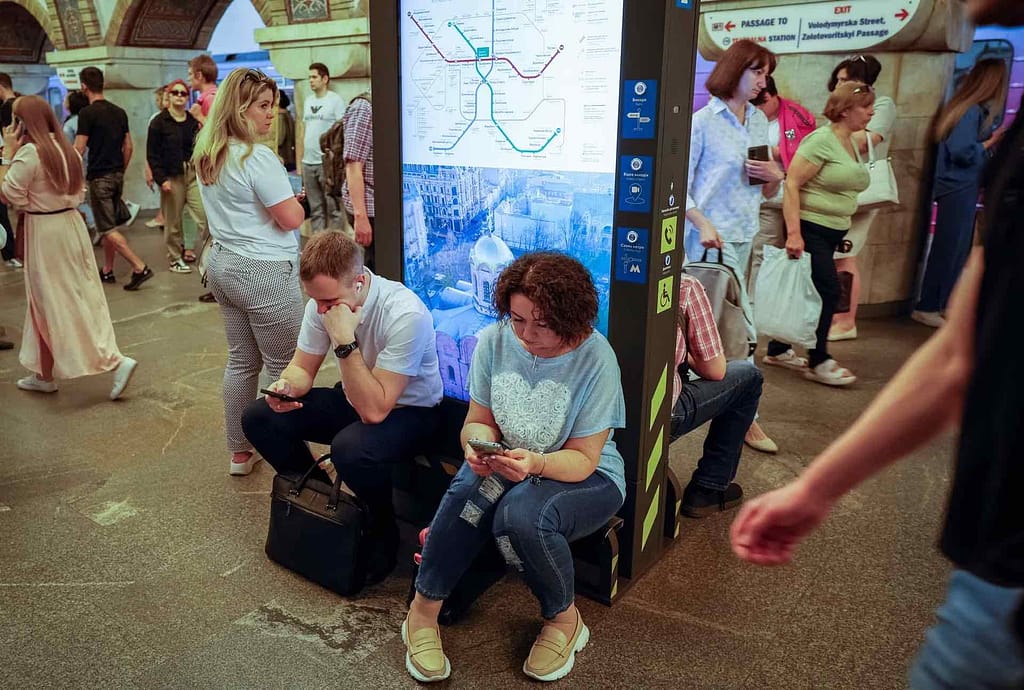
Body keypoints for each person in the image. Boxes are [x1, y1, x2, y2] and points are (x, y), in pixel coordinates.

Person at [731, 7, 1024, 688]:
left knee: (824, 306)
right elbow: (961, 353)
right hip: (996, 564)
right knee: (811, 306)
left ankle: (809, 352)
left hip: (1004, 566)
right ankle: (804, 353)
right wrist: (816, 489)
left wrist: (815, 489)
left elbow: (958, 354)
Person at [403, 252, 625, 683]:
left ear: (571, 317)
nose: (526, 334)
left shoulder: (597, 358)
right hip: (508, 459)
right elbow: (477, 420)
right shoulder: (495, 339)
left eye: (541, 324)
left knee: (519, 516)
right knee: (469, 491)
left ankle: (564, 620)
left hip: (585, 475)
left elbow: (583, 458)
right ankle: (421, 612)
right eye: (518, 319)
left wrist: (537, 462)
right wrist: (474, 447)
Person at [242, 230, 441, 580]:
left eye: (329, 302)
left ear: (360, 283)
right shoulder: (323, 303)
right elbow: (303, 368)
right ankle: (321, 498)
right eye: (315, 301)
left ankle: (380, 525)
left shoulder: (405, 313)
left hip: (412, 412)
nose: (321, 310)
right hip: (358, 396)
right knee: (259, 417)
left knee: (349, 448)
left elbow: (375, 410)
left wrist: (344, 340)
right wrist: (284, 387)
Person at [193, 68, 306, 475]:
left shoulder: (208, 151)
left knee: (241, 362)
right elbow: (290, 219)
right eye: (261, 106)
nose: (270, 115)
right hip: (263, 271)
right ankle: (290, 460)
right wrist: (296, 202)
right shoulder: (256, 157)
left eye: (271, 106)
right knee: (284, 366)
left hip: (223, 265)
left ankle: (240, 452)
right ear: (239, 108)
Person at [1, 96, 138, 398]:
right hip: (71, 226)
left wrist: (7, 155)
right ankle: (44, 374)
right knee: (63, 298)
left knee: (57, 301)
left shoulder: (29, 153)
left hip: (45, 231)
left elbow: (8, 193)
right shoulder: (68, 151)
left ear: (21, 122)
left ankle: (115, 361)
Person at [684, 39, 783, 454]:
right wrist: (703, 222)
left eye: (765, 73)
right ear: (736, 70)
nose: (763, 80)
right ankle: (743, 416)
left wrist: (775, 174)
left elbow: (767, 185)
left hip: (744, 234)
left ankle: (736, 411)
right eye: (757, 71)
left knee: (732, 327)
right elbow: (679, 189)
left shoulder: (759, 122)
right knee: (724, 329)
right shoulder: (702, 123)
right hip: (708, 244)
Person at [762, 82, 873, 386]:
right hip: (811, 228)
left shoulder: (849, 141)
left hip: (833, 229)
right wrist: (794, 234)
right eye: (865, 106)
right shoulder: (820, 141)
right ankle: (819, 359)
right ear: (846, 109)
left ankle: (778, 349)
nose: (871, 112)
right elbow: (792, 184)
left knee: (804, 290)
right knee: (829, 290)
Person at [913, 59, 1007, 328]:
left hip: (961, 185)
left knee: (955, 246)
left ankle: (939, 302)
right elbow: (962, 151)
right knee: (948, 247)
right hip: (958, 185)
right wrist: (993, 140)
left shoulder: (965, 109)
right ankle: (929, 304)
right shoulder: (970, 112)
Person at [670, 274, 764, 516]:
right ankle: (708, 488)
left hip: (586, 409)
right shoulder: (685, 286)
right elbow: (715, 370)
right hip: (658, 416)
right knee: (748, 376)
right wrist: (684, 356)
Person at [826, 54, 897, 341]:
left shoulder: (881, 105)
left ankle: (845, 321)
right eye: (839, 80)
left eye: (848, 80)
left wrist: (822, 144)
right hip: (840, 190)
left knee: (846, 254)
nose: (840, 85)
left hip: (862, 190)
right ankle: (836, 316)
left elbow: (869, 140)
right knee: (837, 255)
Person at [75, 66, 151, 291]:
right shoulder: (119, 112)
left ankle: (139, 267)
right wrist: (120, 170)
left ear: (83, 86)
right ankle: (107, 270)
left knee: (107, 228)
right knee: (108, 224)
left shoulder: (86, 114)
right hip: (117, 175)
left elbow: (78, 148)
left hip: (99, 178)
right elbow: (128, 146)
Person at [747, 76, 817, 301]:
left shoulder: (797, 117)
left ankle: (752, 307)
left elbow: (805, 154)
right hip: (747, 195)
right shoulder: (746, 115)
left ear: (772, 95)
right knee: (742, 253)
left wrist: (776, 153)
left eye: (762, 103)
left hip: (775, 197)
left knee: (761, 254)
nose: (758, 110)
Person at [147, 78, 207, 275]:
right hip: (171, 174)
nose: (180, 97)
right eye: (176, 93)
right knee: (172, 220)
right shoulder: (159, 122)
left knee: (202, 215)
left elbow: (202, 142)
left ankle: (207, 255)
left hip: (191, 172)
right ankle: (174, 257)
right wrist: (161, 179)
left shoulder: (191, 121)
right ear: (169, 96)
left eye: (183, 93)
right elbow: (152, 154)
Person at [297, 63, 345, 232]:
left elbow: (341, 131)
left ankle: (337, 246)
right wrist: (299, 164)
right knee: (315, 208)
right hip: (308, 162)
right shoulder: (308, 101)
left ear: (325, 79)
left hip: (327, 164)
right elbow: (302, 131)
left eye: (314, 77)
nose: (311, 80)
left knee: (334, 208)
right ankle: (319, 246)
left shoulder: (335, 100)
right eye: (309, 77)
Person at [341, 90, 374, 269]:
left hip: (382, 207)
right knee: (375, 269)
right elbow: (353, 165)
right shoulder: (364, 107)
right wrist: (360, 217)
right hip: (368, 208)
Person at [61, 90, 98, 244]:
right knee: (93, 199)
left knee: (80, 199)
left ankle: (93, 224)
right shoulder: (91, 119)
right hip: (95, 163)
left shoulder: (69, 125)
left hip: (79, 165)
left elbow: (69, 149)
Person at [0, 72, 21, 268]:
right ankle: (14, 252)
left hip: (9, 161)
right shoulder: (22, 104)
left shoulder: (6, 109)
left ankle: (12, 252)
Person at [145, 85, 169, 231]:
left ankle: (163, 217)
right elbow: (151, 147)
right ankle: (163, 217)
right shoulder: (156, 119)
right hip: (161, 163)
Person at [187, 54, 218, 127]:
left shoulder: (210, 99)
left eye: (190, 74)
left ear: (199, 75)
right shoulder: (215, 96)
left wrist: (199, 116)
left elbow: (218, 132)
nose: (188, 79)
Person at [277, 91, 296, 172]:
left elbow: (279, 140)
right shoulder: (288, 115)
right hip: (290, 157)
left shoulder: (280, 117)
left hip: (284, 158)